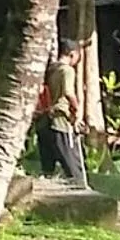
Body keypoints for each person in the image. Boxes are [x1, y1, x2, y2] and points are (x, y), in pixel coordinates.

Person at [36, 36, 88, 187]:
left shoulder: (50, 70)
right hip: (60, 120)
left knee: (48, 164)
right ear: (72, 54)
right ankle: (81, 191)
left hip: (44, 120)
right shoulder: (67, 71)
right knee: (72, 160)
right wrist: (77, 110)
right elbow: (68, 92)